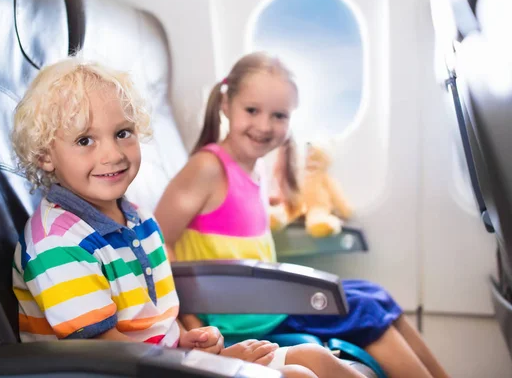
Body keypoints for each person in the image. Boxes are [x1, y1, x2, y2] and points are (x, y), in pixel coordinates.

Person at [10, 55, 364, 378]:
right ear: (45, 155)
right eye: (85, 140)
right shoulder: (57, 242)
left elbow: (157, 326)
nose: (113, 154)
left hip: (160, 366)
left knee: (316, 359)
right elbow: (106, 351)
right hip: (120, 371)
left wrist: (190, 344)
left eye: (122, 133)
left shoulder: (138, 220)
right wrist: (211, 366)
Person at [154, 52, 450, 378]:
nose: (264, 125)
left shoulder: (255, 170)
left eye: (279, 115)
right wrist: (193, 324)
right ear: (226, 105)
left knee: (374, 295)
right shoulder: (207, 168)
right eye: (252, 110)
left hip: (264, 303)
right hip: (238, 314)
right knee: (364, 310)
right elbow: (159, 243)